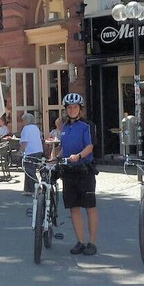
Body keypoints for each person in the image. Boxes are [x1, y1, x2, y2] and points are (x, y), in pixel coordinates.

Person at [58, 93, 98, 256]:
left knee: (90, 207)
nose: (72, 110)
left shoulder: (87, 125)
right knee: (73, 208)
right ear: (66, 110)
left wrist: (79, 156)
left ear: (80, 109)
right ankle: (80, 241)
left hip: (84, 169)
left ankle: (92, 243)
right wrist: (55, 158)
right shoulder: (64, 127)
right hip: (69, 171)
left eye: (75, 107)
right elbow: (63, 148)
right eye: (69, 107)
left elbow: (90, 146)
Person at [19, 112, 44, 196]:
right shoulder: (36, 127)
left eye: (23, 120)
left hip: (30, 151)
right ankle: (28, 189)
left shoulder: (26, 128)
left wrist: (20, 151)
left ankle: (35, 189)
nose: (22, 122)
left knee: (29, 171)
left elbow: (24, 142)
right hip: (38, 150)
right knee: (29, 170)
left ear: (26, 120)